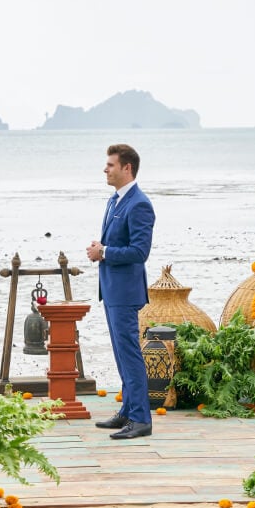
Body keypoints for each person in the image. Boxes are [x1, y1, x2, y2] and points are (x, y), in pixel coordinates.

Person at [87, 144, 156, 440]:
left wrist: (104, 251)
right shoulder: (113, 201)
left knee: (129, 354)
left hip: (126, 292)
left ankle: (141, 419)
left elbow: (140, 252)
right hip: (112, 290)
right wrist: (101, 249)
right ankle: (128, 410)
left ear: (127, 168)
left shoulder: (140, 204)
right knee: (120, 352)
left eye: (111, 165)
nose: (106, 169)